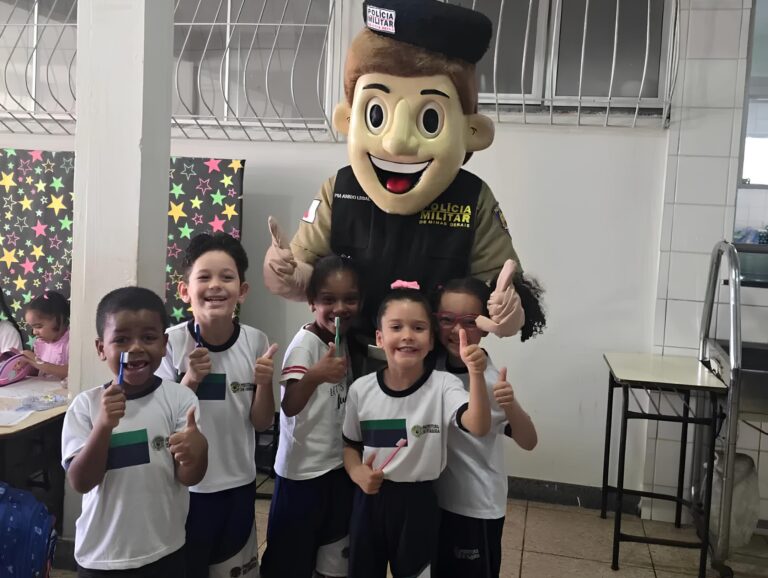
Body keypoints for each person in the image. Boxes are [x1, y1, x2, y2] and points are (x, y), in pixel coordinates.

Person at [264, 0, 546, 354]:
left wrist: (508, 312)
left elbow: (502, 293)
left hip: (437, 365)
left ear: (471, 131)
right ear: (348, 119)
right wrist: (283, 273)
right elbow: (305, 277)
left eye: (430, 120)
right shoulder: (341, 189)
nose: (396, 142)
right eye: (376, 115)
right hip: (352, 359)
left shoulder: (472, 198)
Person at [342, 282, 491, 577]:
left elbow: (478, 425)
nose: (407, 336)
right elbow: (350, 446)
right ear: (380, 337)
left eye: (419, 328)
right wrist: (357, 472)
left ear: (432, 340)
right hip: (369, 500)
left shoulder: (443, 386)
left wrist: (476, 374)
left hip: (418, 505)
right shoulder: (361, 389)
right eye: (396, 327)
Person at [61, 286, 208, 577]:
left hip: (166, 550)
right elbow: (81, 482)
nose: (136, 348)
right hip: (102, 557)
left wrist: (198, 451)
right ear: (101, 348)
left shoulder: (181, 399)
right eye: (121, 339)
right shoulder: (86, 406)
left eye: (149, 338)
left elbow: (189, 477)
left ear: (164, 344)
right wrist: (104, 425)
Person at [157, 233, 276, 578]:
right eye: (204, 277)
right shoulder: (170, 344)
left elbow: (261, 421)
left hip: (239, 484)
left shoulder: (256, 341)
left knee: (234, 569)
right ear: (185, 290)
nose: (215, 286)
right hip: (186, 488)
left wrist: (265, 383)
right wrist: (191, 378)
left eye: (227, 277)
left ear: (243, 290)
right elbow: (161, 420)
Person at [261, 255, 361, 578]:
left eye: (350, 299)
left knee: (333, 559)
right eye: (328, 300)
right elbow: (289, 405)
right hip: (301, 476)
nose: (339, 308)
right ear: (311, 302)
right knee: (289, 561)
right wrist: (315, 375)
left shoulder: (343, 340)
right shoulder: (305, 346)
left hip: (336, 469)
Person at [433, 277, 537, 578]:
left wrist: (510, 404)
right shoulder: (431, 365)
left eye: (470, 321)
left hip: (475, 506)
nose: (458, 331)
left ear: (487, 326)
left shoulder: (490, 379)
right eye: (447, 319)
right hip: (437, 501)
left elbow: (529, 441)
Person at [17, 291, 70, 378]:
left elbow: (71, 372)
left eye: (38, 326)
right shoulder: (40, 343)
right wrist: (27, 364)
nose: (34, 332)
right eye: (32, 327)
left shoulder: (71, 343)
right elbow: (39, 372)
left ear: (59, 319)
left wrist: (36, 361)